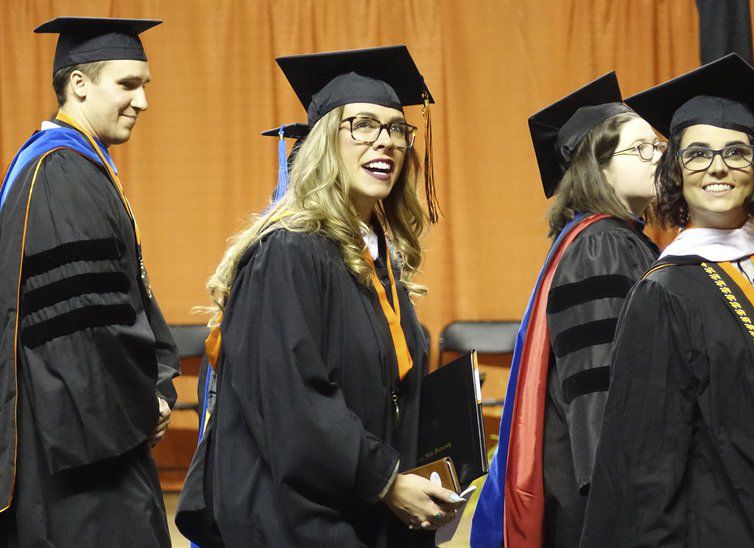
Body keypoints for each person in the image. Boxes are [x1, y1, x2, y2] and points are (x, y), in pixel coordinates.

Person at [176, 45, 463, 547]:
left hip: (363, 509)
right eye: (363, 125)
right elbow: (295, 403)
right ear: (325, 142)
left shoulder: (375, 256)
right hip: (301, 521)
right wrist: (386, 480)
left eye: (397, 129)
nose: (386, 141)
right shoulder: (289, 252)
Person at [581, 53, 754, 546]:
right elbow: (644, 467)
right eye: (697, 154)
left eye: (736, 152)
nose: (717, 167)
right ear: (675, 171)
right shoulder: (663, 295)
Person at [0, 16, 180, 546]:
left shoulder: (70, 166)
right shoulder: (61, 174)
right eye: (128, 84)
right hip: (84, 455)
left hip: (87, 439)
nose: (142, 101)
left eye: (144, 85)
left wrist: (157, 383)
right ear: (79, 83)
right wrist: (147, 400)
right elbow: (81, 328)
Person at [472, 73, 662, 547]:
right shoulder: (603, 246)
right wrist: (623, 508)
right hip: (605, 500)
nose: (660, 156)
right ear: (599, 168)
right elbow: (599, 390)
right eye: (641, 148)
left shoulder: (608, 240)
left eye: (658, 145)